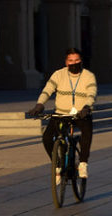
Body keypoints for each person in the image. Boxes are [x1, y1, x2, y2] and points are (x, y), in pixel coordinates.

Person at [27, 48, 96, 179]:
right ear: (66, 62)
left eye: (77, 60)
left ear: (81, 61)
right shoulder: (58, 74)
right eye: (71, 60)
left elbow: (91, 94)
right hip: (61, 114)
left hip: (81, 113)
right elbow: (47, 90)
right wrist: (40, 104)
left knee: (87, 133)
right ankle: (57, 164)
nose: (74, 63)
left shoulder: (88, 76)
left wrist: (87, 107)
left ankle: (82, 163)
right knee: (47, 137)